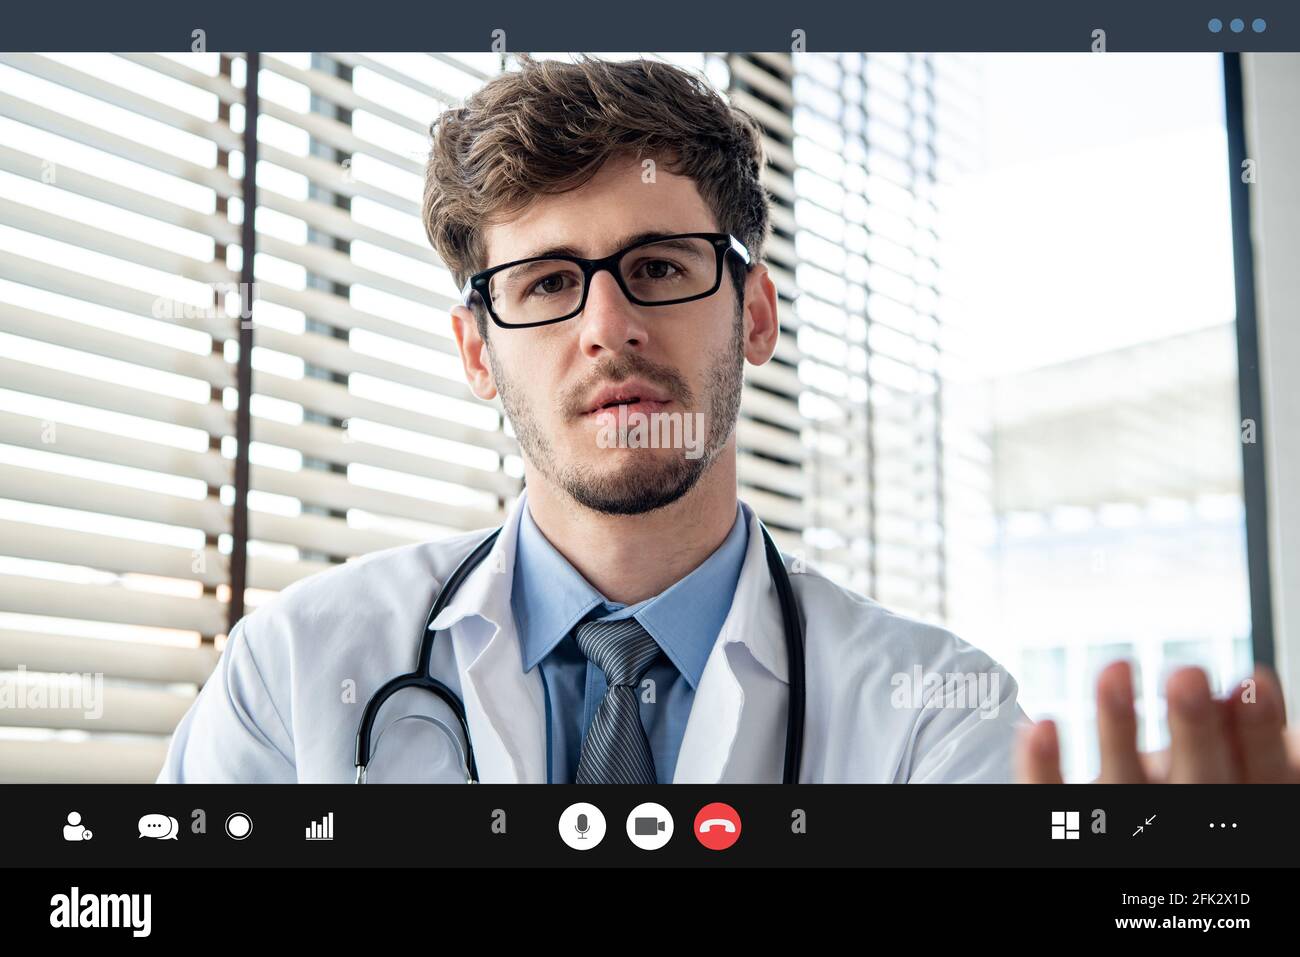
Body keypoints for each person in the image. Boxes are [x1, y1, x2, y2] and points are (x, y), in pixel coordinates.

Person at [157, 54, 1295, 785]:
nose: (606, 327)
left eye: (656, 265)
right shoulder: (297, 674)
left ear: (753, 312)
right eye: (547, 283)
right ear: (474, 348)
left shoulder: (931, 718)